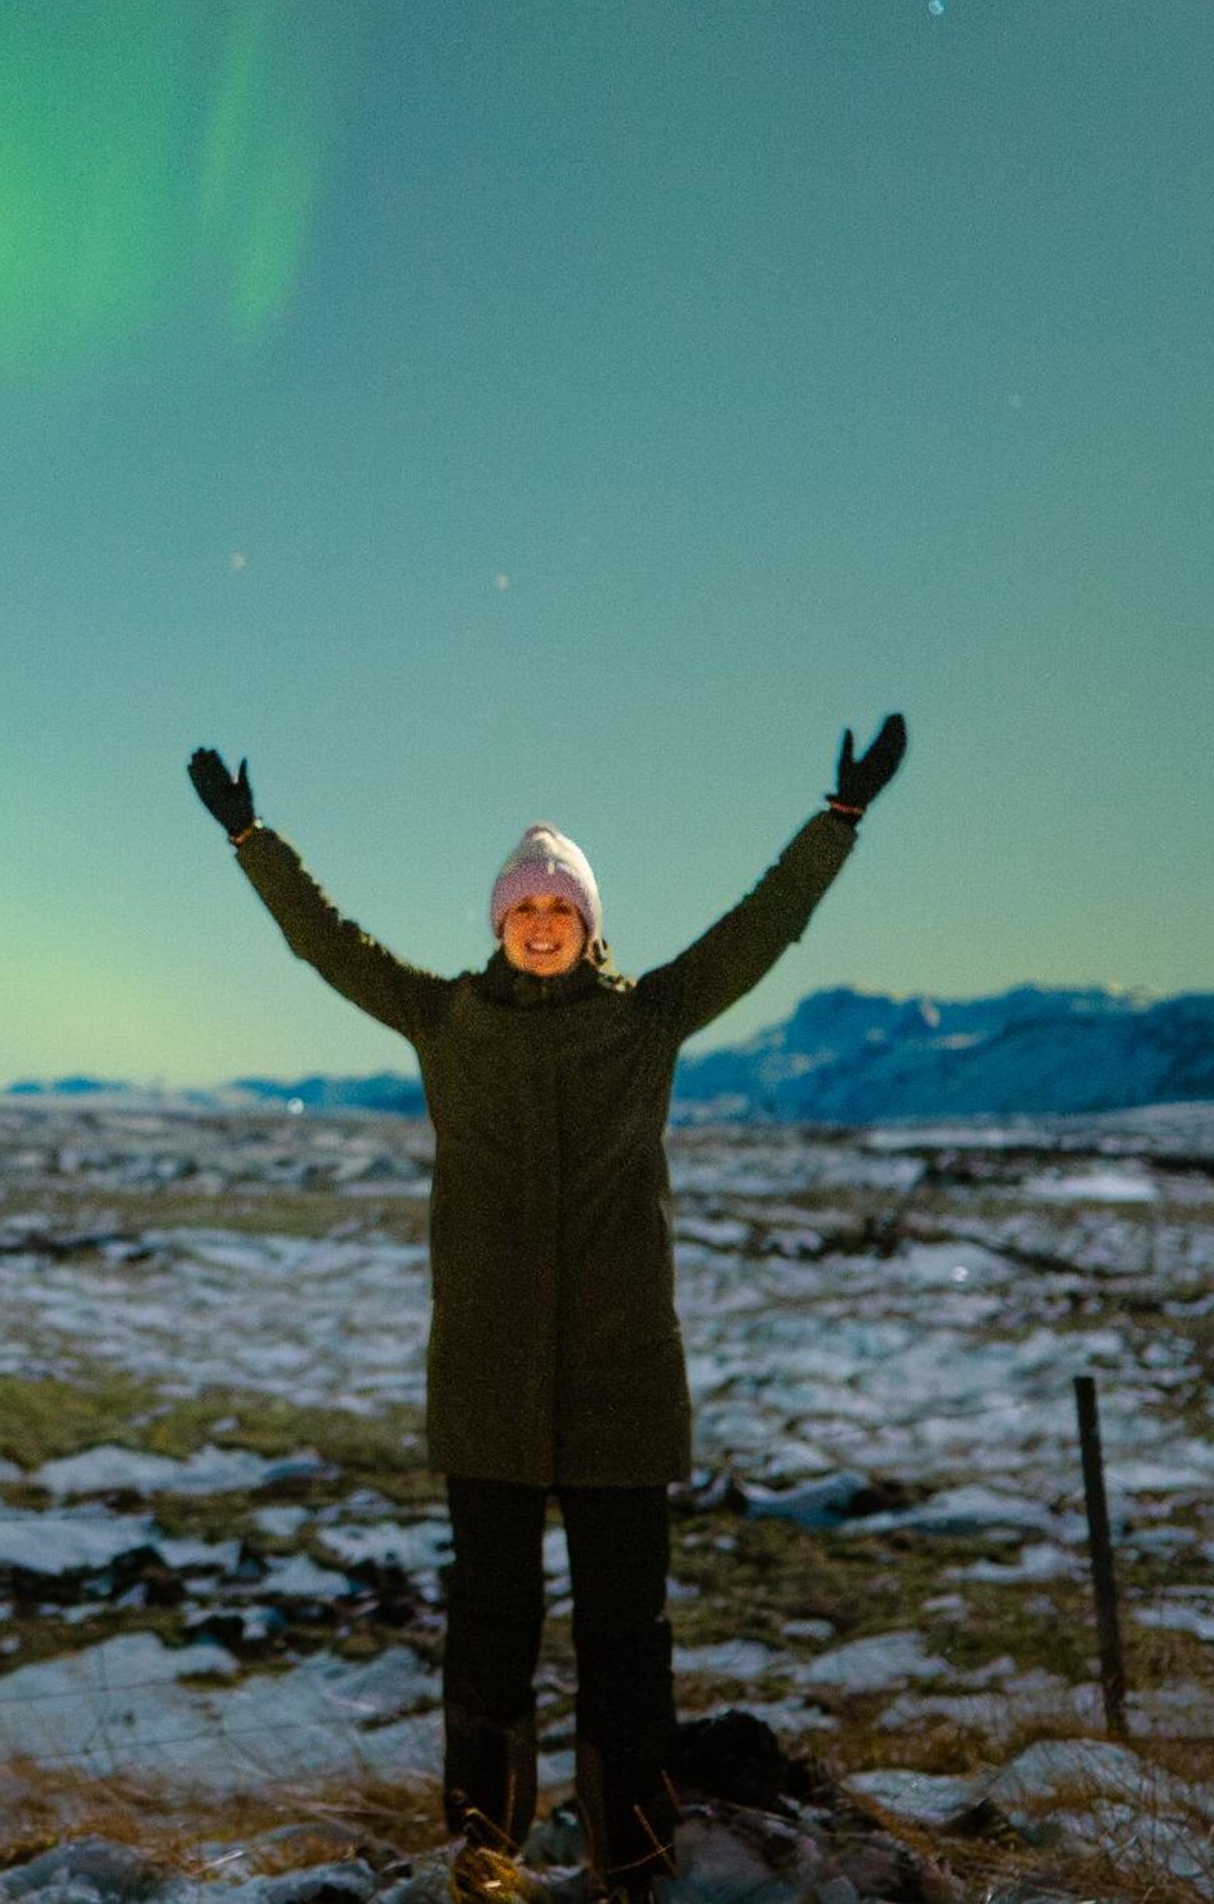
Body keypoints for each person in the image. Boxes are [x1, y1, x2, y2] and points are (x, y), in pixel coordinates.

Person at [185, 716, 904, 1898]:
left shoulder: (648, 1021)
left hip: (621, 1395)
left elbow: (760, 930)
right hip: (487, 1399)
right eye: (523, 911)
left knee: (628, 1653)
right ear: (500, 925)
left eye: (559, 911)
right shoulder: (445, 1024)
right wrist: (253, 839)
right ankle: (485, 1859)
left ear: (588, 926)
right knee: (490, 1647)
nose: (540, 926)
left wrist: (837, 824)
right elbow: (327, 944)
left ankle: (636, 1860)